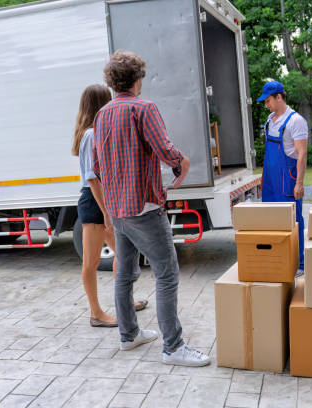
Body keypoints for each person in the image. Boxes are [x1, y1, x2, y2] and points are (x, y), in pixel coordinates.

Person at [92, 51, 210, 366]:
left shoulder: (101, 115)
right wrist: (182, 162)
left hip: (118, 208)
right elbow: (165, 150)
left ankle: (129, 336)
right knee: (167, 274)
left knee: (125, 274)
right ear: (138, 78)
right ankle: (173, 347)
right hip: (144, 207)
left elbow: (96, 166)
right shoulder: (144, 108)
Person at [72, 84, 148, 328]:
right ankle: (96, 313)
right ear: (100, 104)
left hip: (103, 200)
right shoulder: (91, 134)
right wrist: (106, 213)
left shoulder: (94, 131)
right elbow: (92, 178)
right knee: (91, 262)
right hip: (95, 202)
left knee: (124, 255)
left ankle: (124, 302)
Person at [257, 80, 308, 272]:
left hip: (288, 180)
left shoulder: (296, 121)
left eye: (268, 100)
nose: (266, 104)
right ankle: (277, 260)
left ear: (279, 97)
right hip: (270, 180)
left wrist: (300, 184)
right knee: (271, 219)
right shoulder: (271, 119)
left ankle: (300, 263)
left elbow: (302, 154)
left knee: (294, 221)